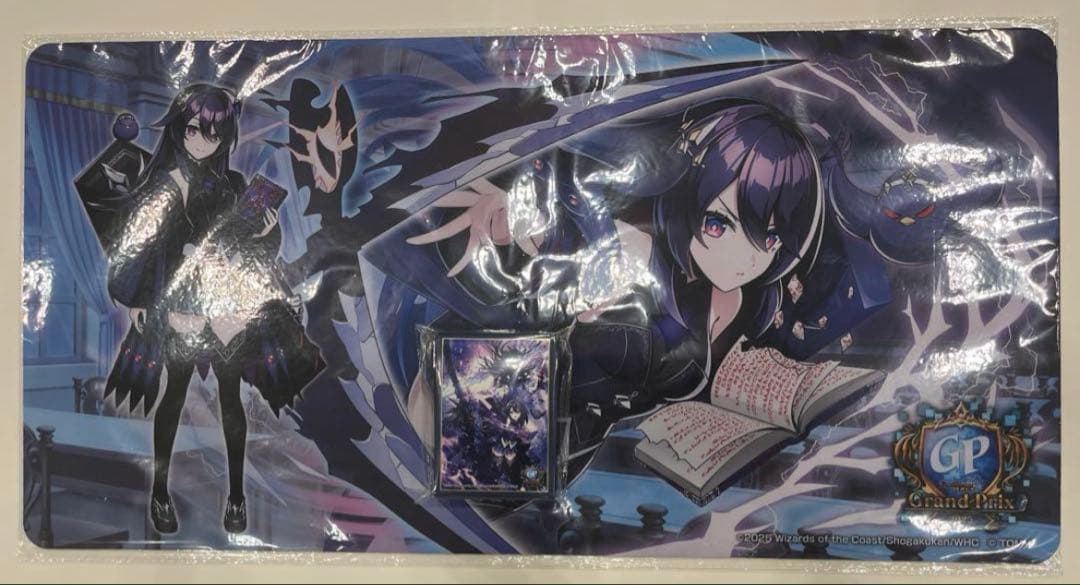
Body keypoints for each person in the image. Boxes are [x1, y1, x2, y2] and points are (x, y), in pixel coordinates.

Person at [98, 84, 322, 534]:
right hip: (180, 304)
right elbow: (136, 247)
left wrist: (267, 235)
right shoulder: (161, 184)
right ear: (179, 128)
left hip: (224, 303)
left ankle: (236, 496)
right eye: (194, 130)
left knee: (230, 398)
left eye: (214, 134)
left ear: (226, 138)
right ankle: (160, 492)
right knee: (174, 394)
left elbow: (252, 255)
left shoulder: (233, 186)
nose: (203, 141)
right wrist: (136, 297)